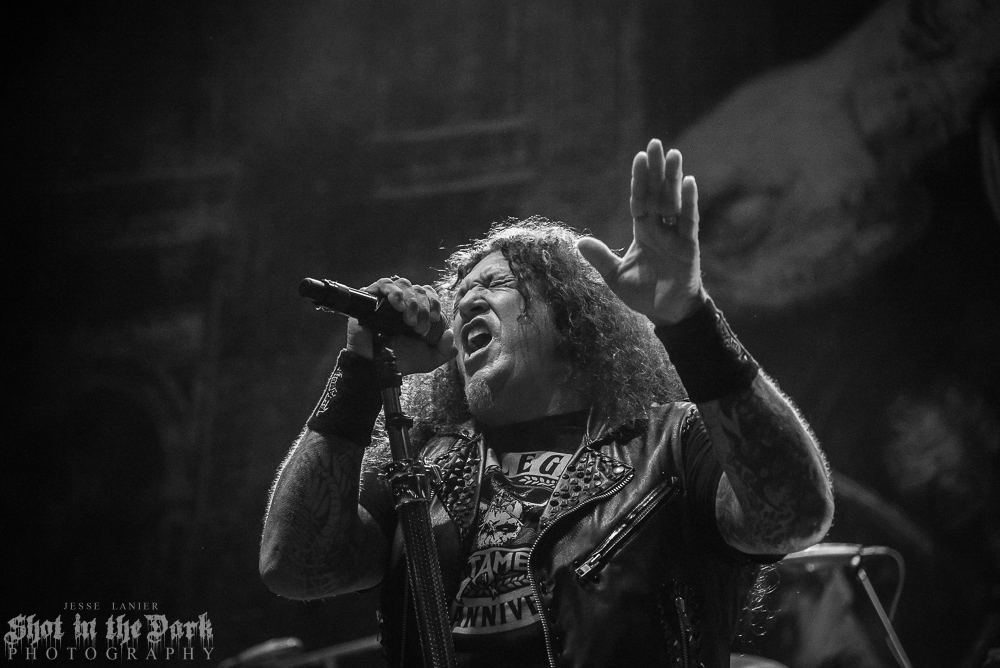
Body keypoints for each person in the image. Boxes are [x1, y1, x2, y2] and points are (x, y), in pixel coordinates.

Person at [259, 139, 835, 668]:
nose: (464, 304)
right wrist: (361, 368)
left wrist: (689, 319)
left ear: (569, 320)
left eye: (493, 284)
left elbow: (794, 514)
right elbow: (295, 565)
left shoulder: (669, 446)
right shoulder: (422, 468)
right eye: (457, 297)